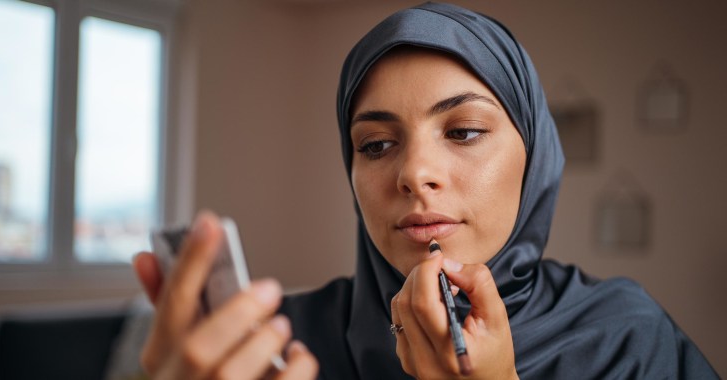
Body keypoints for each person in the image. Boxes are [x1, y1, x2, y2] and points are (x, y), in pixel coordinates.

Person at [133, 3, 718, 379]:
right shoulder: (278, 345)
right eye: (376, 145)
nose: (414, 173)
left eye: (463, 131)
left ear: (534, 158)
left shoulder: (627, 342)